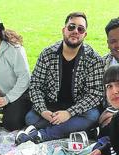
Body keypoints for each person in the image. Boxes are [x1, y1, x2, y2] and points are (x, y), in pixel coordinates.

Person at [16, 12, 103, 144]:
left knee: (93, 115)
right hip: (52, 105)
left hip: (78, 107)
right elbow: (35, 85)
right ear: (64, 30)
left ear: (84, 35)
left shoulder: (93, 59)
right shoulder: (47, 54)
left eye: (80, 29)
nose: (75, 31)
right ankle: (82, 130)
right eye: (71, 27)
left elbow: (95, 94)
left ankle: (42, 134)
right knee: (30, 118)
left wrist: (69, 113)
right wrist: (43, 110)